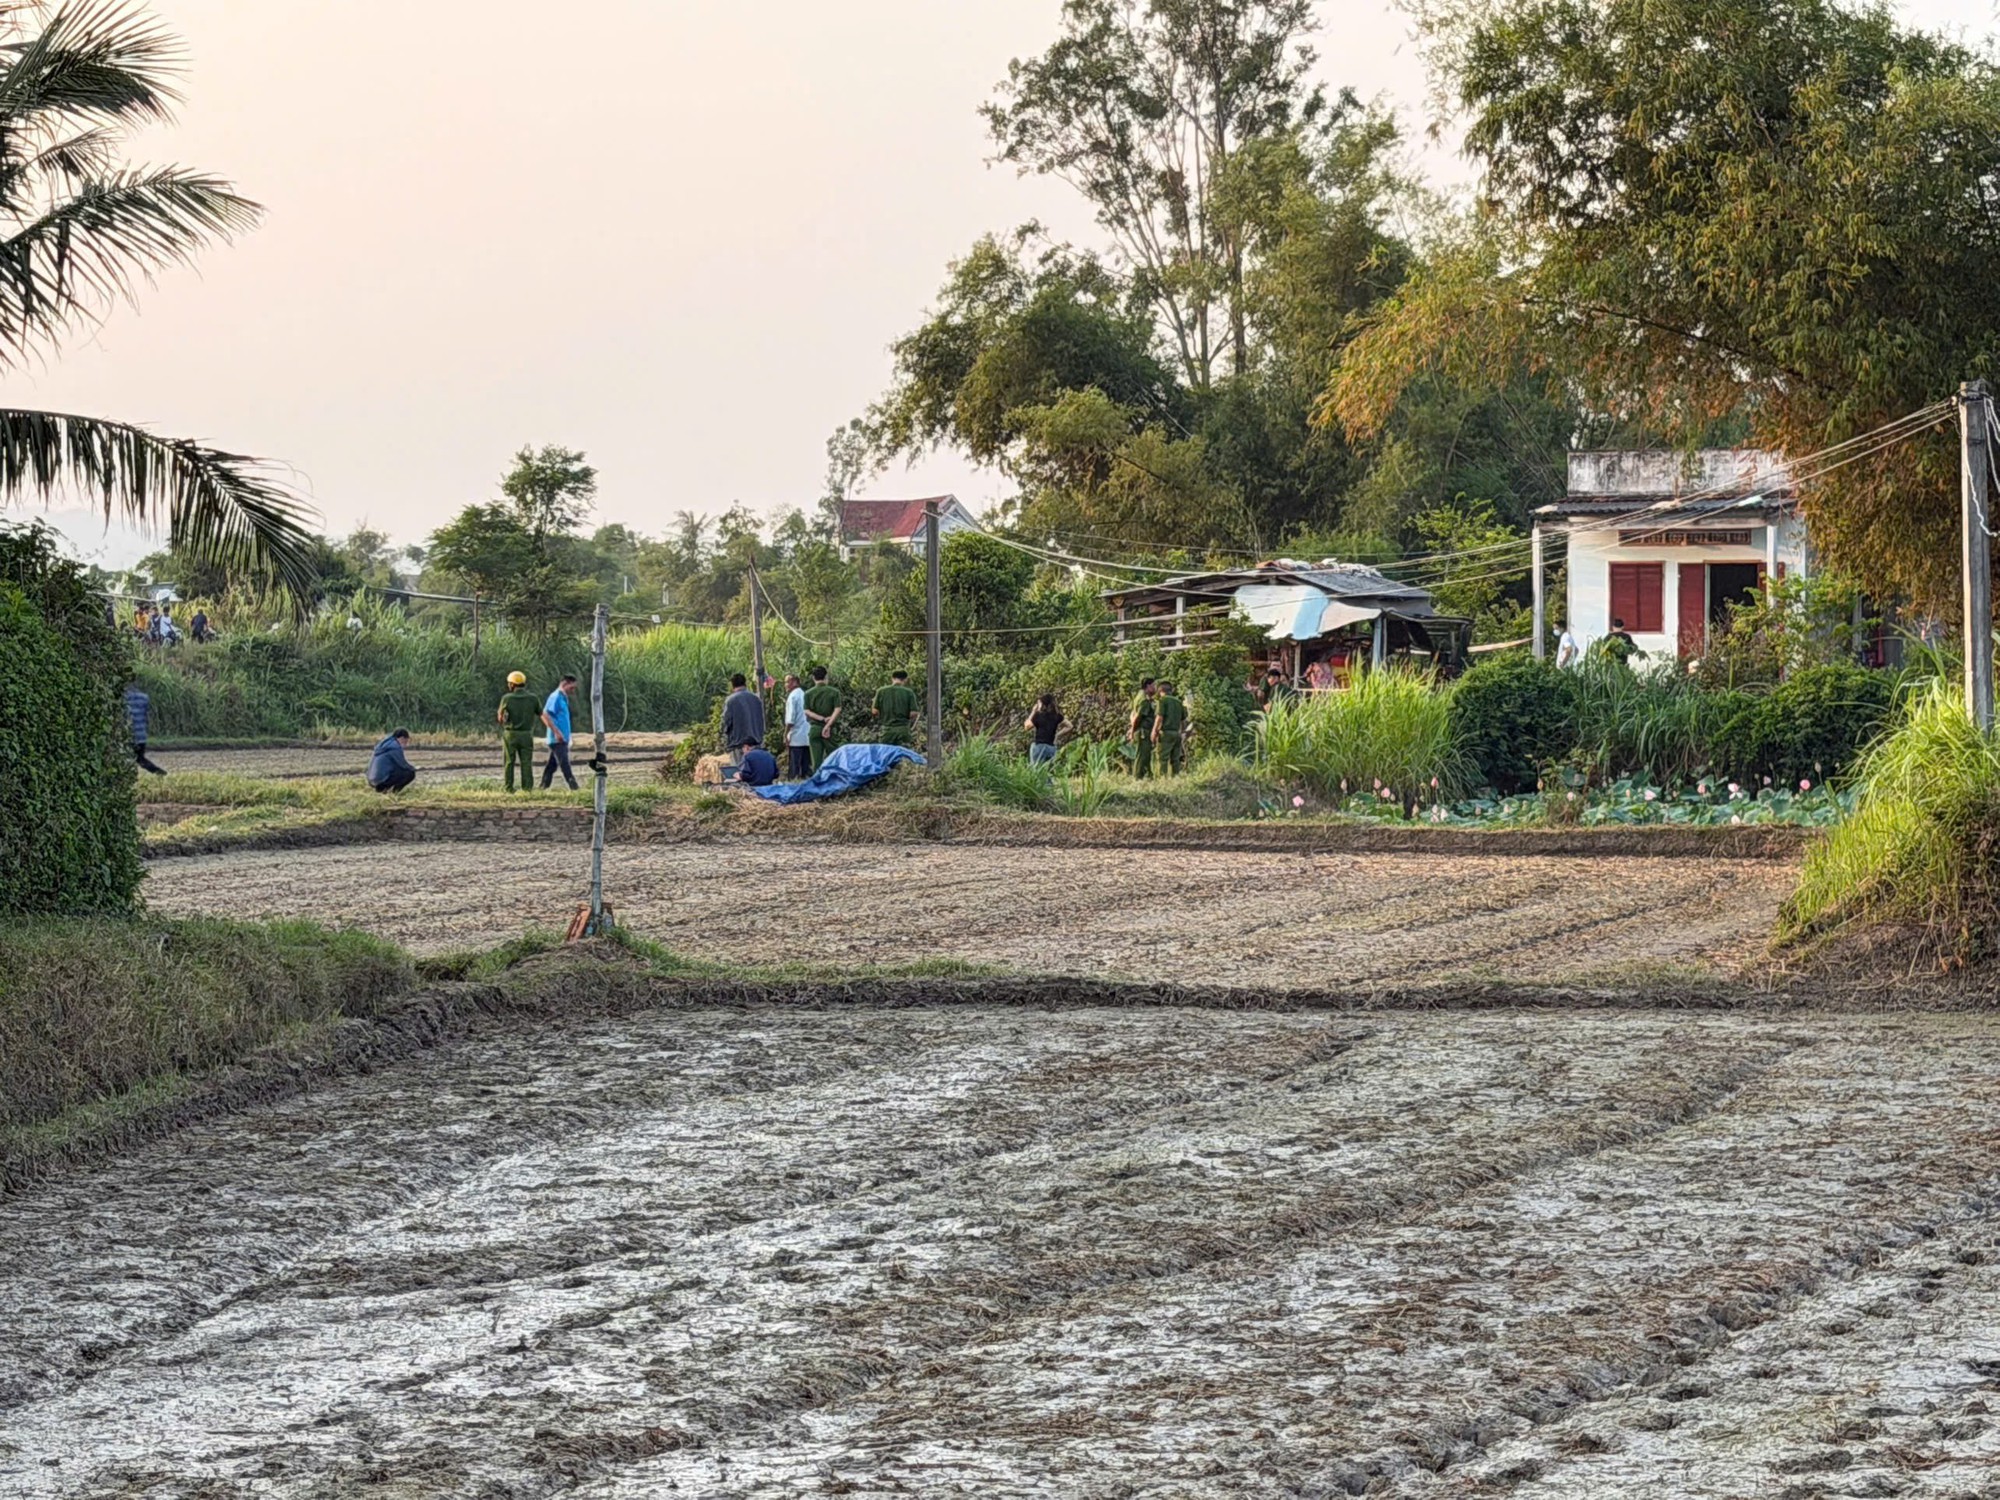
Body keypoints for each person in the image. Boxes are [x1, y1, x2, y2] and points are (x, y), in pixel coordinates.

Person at [496, 670, 540, 792]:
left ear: (512, 684)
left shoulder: (506, 698)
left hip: (510, 734)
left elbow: (500, 718)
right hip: (526, 734)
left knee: (509, 762)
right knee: (526, 762)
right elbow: (540, 713)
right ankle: (527, 788)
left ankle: (509, 788)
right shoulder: (533, 698)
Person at [540, 673, 580, 790]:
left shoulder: (563, 697)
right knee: (564, 764)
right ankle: (574, 787)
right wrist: (557, 732)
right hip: (557, 738)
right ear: (564, 683)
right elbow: (545, 714)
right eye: (571, 687)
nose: (573, 691)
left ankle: (543, 786)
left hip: (563, 738)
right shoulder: (555, 697)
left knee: (552, 765)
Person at [803, 665, 842, 771]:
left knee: (816, 762)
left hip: (815, 729)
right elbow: (837, 710)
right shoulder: (834, 692)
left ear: (813, 678)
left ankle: (817, 783)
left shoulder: (808, 693)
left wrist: (821, 719)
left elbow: (807, 711)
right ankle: (834, 782)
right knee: (834, 758)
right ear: (826, 676)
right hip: (830, 730)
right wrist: (828, 724)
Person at [720, 672, 765, 763]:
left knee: (739, 773)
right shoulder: (756, 699)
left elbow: (725, 722)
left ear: (732, 685)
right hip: (756, 743)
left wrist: (724, 733)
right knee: (754, 772)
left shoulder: (730, 700)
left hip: (738, 745)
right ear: (745, 683)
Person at [124, 682, 166, 776]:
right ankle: (158, 772)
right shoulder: (144, 698)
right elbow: (147, 716)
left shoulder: (124, 698)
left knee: (125, 758)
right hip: (141, 735)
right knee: (140, 759)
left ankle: (158, 772)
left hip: (127, 735)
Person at [873, 669, 920, 746]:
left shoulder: (881, 691)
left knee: (886, 755)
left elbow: (875, 711)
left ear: (892, 678)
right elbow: (913, 713)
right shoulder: (909, 692)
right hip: (903, 730)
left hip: (887, 730)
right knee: (904, 755)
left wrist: (885, 717)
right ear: (905, 679)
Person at [1153, 680, 1188, 776]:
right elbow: (1183, 720)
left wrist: (1154, 732)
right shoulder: (1178, 702)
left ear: (1160, 691)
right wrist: (1182, 732)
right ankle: (1176, 778)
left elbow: (1159, 717)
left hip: (1166, 733)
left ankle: (1162, 779)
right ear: (1171, 690)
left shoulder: (1162, 701)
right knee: (1175, 759)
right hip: (1177, 733)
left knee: (1162, 758)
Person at [368, 728, 417, 793]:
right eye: (406, 741)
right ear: (402, 738)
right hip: (380, 780)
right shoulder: (395, 747)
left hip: (371, 780)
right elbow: (403, 764)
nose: (406, 744)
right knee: (410, 773)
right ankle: (394, 792)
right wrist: (414, 768)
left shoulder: (384, 745)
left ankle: (382, 789)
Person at [1127, 677, 1157, 780]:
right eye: (1154, 685)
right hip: (1142, 731)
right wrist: (1132, 731)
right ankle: (1137, 777)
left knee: (1146, 755)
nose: (1155, 688)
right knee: (1141, 756)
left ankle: (1148, 775)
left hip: (1143, 730)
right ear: (1148, 686)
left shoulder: (1139, 696)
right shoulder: (1144, 700)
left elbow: (1132, 714)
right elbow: (1137, 717)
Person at [782, 673, 810, 780]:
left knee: (794, 767)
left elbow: (790, 720)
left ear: (794, 682)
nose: (785, 685)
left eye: (787, 682)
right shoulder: (805, 694)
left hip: (796, 737)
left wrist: (785, 735)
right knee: (805, 767)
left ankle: (792, 785)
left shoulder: (792, 696)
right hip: (806, 736)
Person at [1025, 693, 1063, 766]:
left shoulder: (1038, 715)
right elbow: (1069, 726)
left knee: (1036, 770)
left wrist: (1033, 711)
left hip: (1039, 746)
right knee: (1049, 771)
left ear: (1042, 704)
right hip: (1051, 747)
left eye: (1038, 703)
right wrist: (1058, 734)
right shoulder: (1056, 716)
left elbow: (1027, 726)